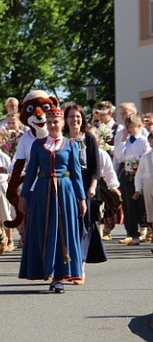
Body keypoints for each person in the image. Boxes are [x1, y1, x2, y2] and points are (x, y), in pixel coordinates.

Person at [18, 108, 86, 293]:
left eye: (56, 122)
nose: (53, 125)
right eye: (50, 123)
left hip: (65, 192)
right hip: (42, 192)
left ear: (63, 123)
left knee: (63, 232)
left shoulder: (71, 145)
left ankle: (59, 277)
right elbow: (31, 170)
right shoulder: (38, 145)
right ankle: (45, 270)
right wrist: (23, 196)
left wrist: (81, 198)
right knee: (44, 230)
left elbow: (77, 174)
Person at [64, 104, 106, 282]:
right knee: (68, 224)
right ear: (65, 120)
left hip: (87, 181)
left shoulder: (88, 138)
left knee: (84, 225)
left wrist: (92, 186)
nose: (76, 120)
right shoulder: (62, 138)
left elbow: (96, 165)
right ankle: (66, 265)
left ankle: (80, 266)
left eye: (79, 116)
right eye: (72, 117)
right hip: (67, 183)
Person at [114, 113, 150, 245]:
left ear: (139, 126)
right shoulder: (126, 141)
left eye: (132, 127)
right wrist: (123, 140)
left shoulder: (143, 140)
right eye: (128, 127)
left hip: (139, 175)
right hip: (128, 174)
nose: (129, 130)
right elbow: (119, 156)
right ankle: (131, 232)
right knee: (128, 205)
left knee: (141, 203)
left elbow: (147, 156)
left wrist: (138, 162)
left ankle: (144, 228)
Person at [133, 132, 153, 244]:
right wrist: (137, 189)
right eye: (150, 140)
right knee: (150, 212)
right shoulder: (145, 156)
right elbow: (140, 173)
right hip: (148, 184)